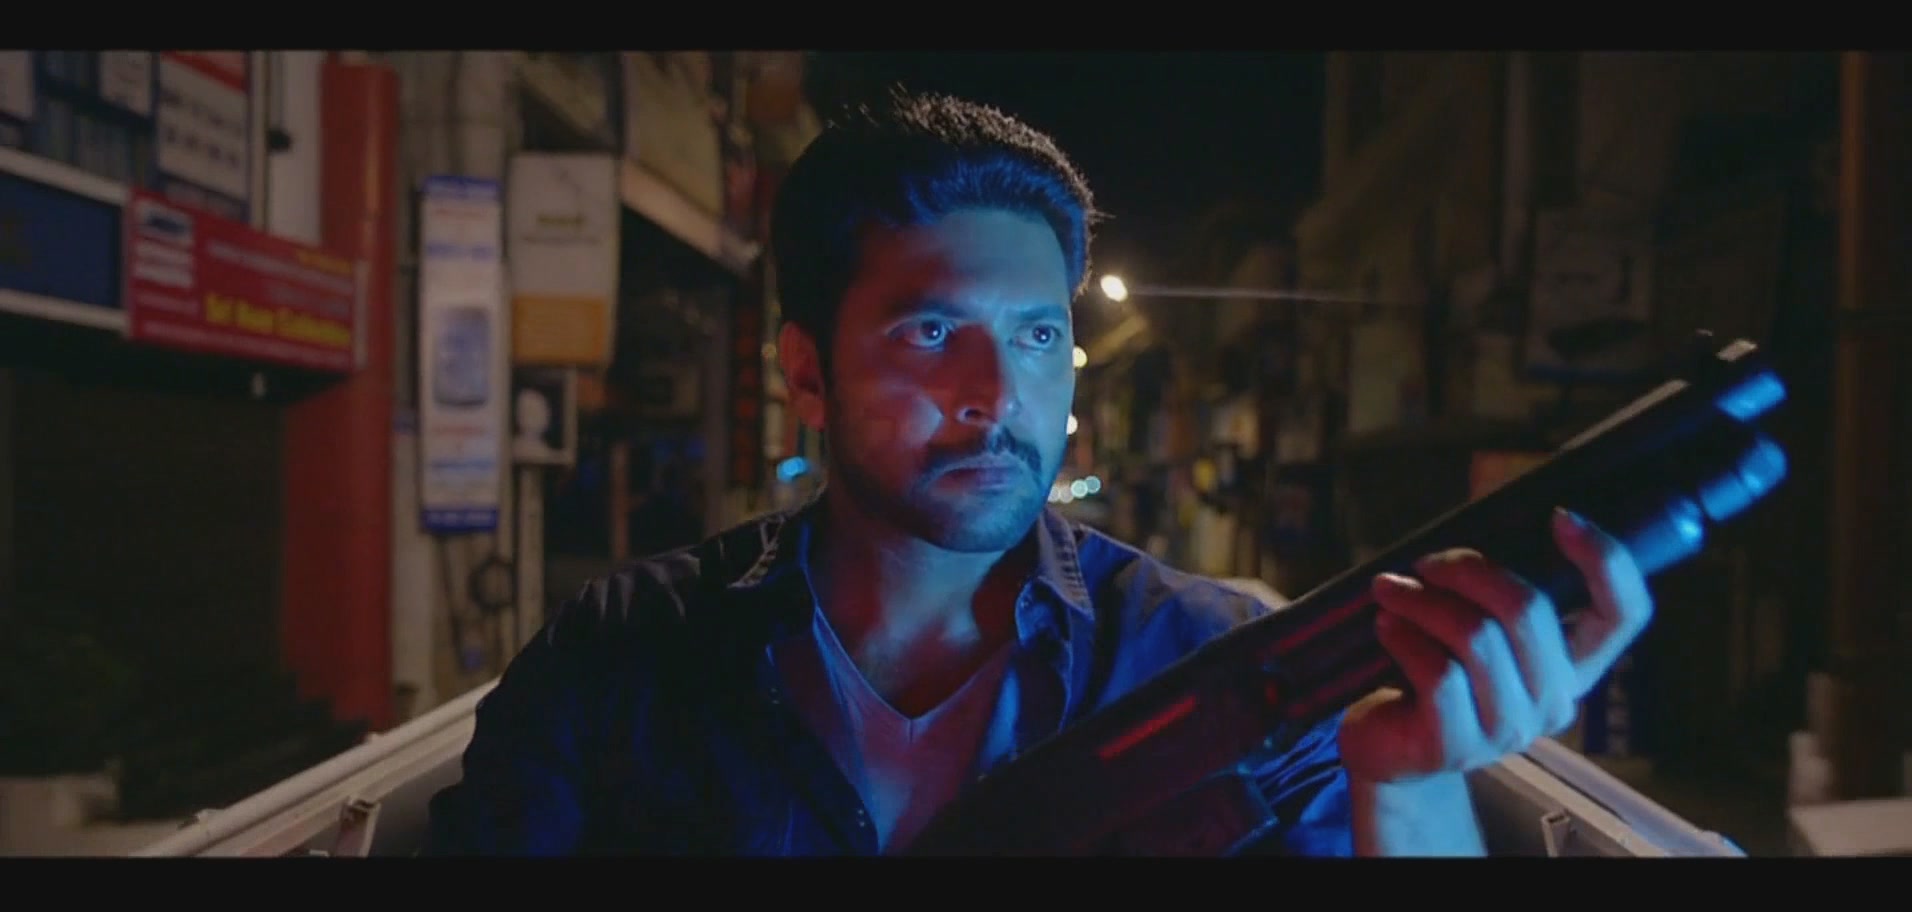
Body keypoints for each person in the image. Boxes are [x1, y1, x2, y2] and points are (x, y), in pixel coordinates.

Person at [424, 88, 1655, 857]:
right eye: (930, 332)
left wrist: (1415, 787)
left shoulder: (1209, 661)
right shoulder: (624, 653)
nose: (998, 394)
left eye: (1035, 337)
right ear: (806, 372)